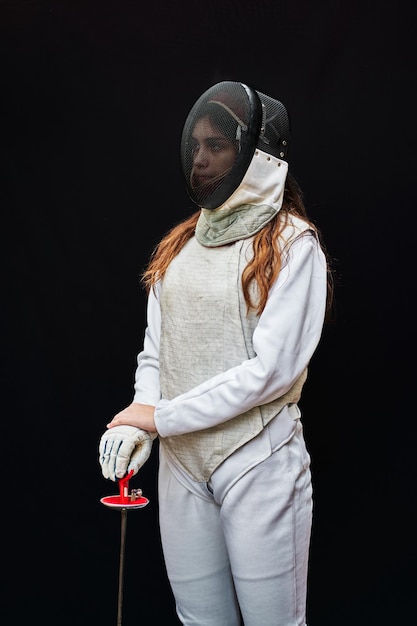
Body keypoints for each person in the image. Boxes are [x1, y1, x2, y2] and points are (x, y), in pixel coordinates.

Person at [99, 80, 333, 626]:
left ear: (256, 155)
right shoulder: (179, 246)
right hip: (181, 463)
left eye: (217, 146)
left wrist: (159, 417)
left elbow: (271, 373)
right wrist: (140, 423)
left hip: (258, 457)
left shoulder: (293, 245)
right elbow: (157, 352)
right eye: (197, 145)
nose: (201, 159)